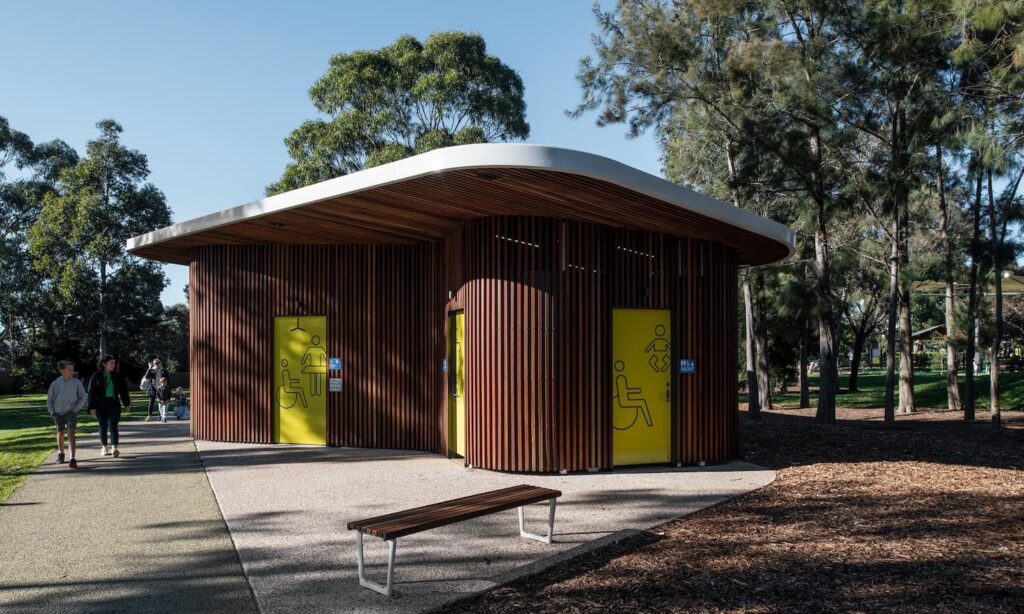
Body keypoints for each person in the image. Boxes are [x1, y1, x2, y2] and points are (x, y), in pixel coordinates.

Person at [46, 360, 88, 469]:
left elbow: (83, 397)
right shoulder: (55, 384)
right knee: (60, 433)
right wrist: (52, 412)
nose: (72, 372)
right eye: (69, 369)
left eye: (72, 369)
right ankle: (61, 453)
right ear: (62, 370)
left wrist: (76, 409)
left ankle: (72, 458)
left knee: (71, 433)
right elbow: (49, 400)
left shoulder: (76, 383)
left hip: (71, 412)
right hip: (58, 413)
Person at [88, 355, 132, 457]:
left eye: (114, 363)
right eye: (111, 363)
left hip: (114, 402)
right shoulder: (96, 376)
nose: (114, 365)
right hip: (100, 404)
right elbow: (91, 392)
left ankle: (114, 447)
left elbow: (124, 391)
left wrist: (126, 404)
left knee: (113, 426)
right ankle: (104, 447)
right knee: (103, 426)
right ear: (104, 364)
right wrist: (92, 407)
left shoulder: (118, 376)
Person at [141, 358, 165, 422]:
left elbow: (168, 379)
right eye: (155, 363)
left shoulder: (163, 370)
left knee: (160, 402)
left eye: (158, 363)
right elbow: (146, 377)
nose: (157, 364)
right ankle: (149, 416)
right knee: (151, 402)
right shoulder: (152, 370)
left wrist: (168, 388)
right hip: (153, 388)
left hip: (161, 389)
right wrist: (149, 368)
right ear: (153, 364)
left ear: (160, 363)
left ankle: (160, 415)